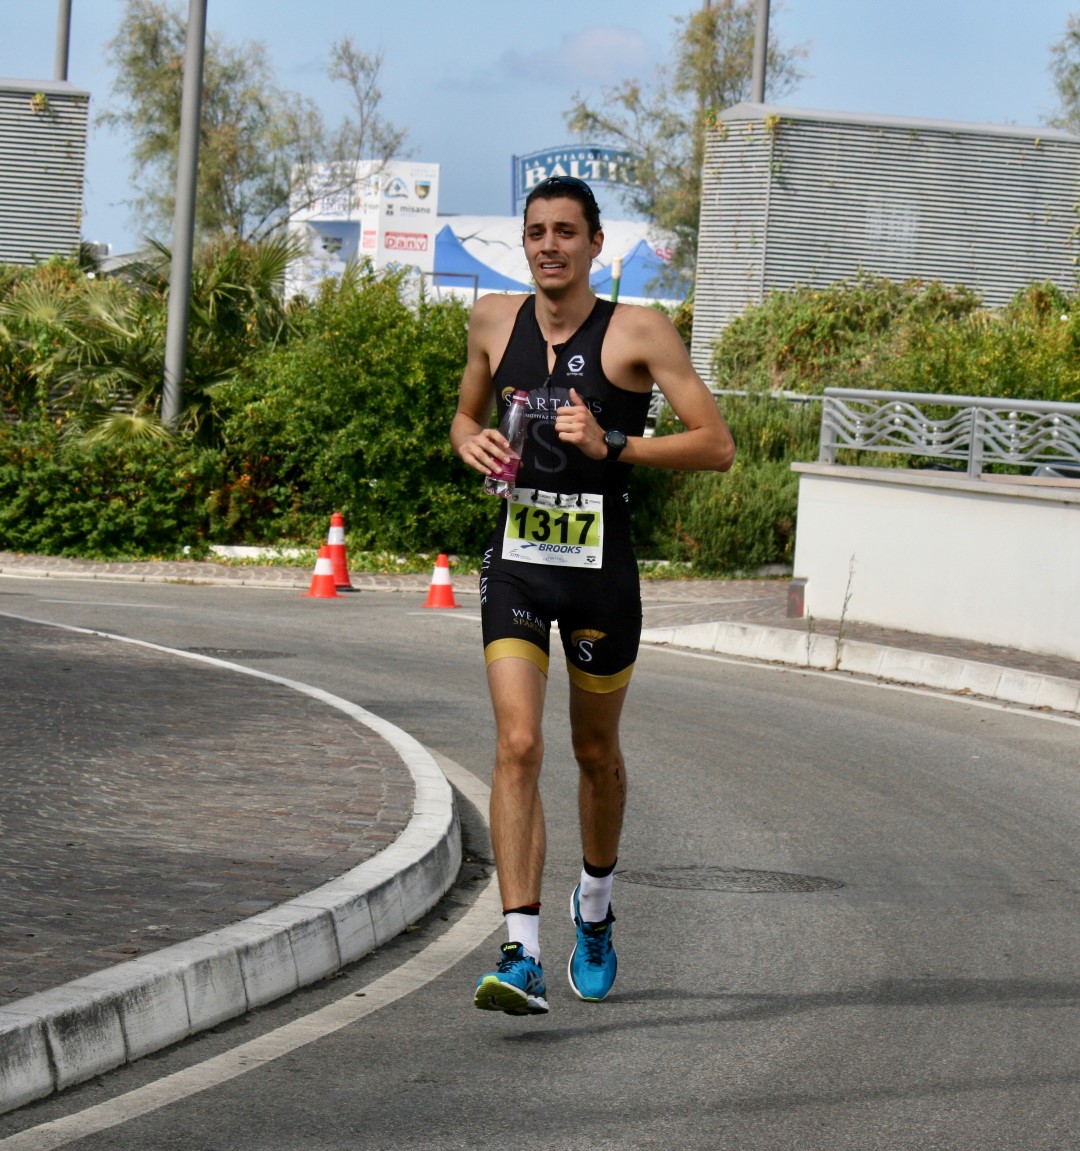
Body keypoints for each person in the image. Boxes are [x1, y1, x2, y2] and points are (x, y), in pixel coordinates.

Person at [450, 175, 735, 1016]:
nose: (549, 245)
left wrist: (616, 441)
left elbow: (716, 445)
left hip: (601, 574)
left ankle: (597, 908)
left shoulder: (638, 331)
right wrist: (472, 441)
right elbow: (464, 417)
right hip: (519, 563)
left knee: (596, 757)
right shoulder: (491, 321)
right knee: (518, 744)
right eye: (536, 231)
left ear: (594, 245)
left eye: (566, 232)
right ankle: (521, 950)